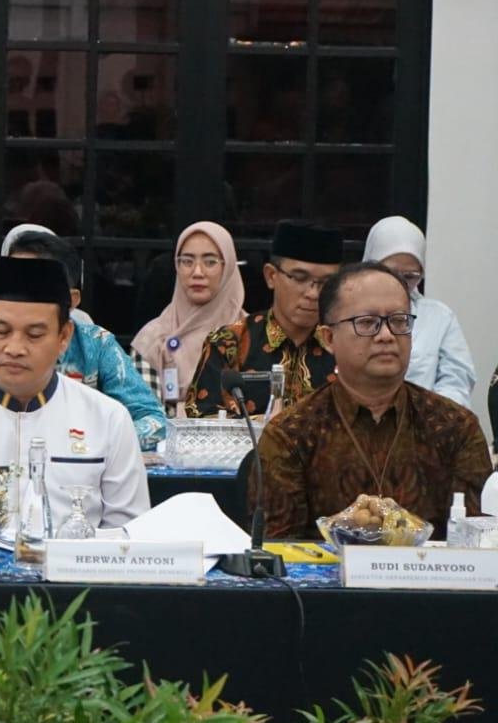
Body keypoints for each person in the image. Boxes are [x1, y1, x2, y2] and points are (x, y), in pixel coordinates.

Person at [0, 256, 150, 530]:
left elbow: (130, 534)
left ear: (64, 336)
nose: (15, 348)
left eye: (34, 335)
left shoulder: (108, 419)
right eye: (1, 330)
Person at [255, 262, 491, 540]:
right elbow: (277, 551)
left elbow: (479, 541)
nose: (386, 336)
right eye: (367, 323)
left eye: (399, 321)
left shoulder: (455, 428)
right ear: (328, 338)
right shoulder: (291, 434)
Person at [0, 231, 165, 453]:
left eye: (40, 283)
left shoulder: (96, 343)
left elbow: (155, 421)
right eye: (15, 277)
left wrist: (86, 443)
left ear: (72, 301)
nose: (25, 292)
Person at [186, 219, 342, 418]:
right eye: (300, 278)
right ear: (271, 276)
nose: (313, 293)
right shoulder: (230, 343)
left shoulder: (346, 345)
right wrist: (264, 427)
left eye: (326, 283)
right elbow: (202, 419)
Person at [361, 216, 475, 407]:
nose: (399, 282)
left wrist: (429, 417)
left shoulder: (439, 317)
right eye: (390, 272)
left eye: (410, 276)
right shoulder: (347, 310)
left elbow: (457, 379)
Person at [130, 222, 247, 407]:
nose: (197, 272)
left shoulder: (254, 335)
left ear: (229, 267)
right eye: (187, 261)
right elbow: (144, 418)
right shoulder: (152, 340)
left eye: (210, 262)